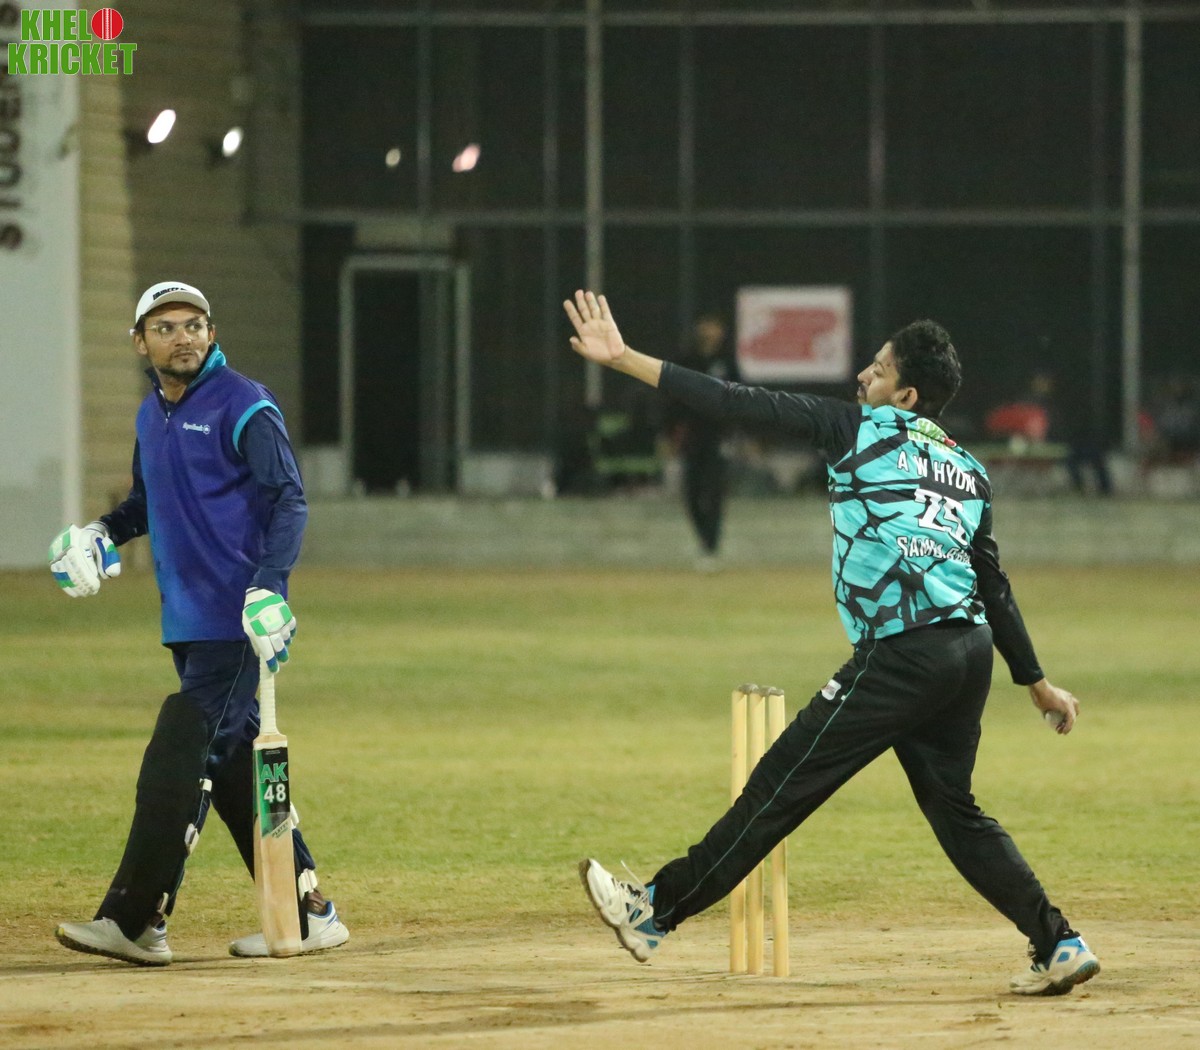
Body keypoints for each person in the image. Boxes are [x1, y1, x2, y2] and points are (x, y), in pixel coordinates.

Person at [563, 290, 1099, 997]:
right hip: (966, 654)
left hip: (904, 654)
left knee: (779, 786)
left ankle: (653, 911)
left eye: (878, 370)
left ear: (906, 395)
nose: (862, 376)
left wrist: (625, 358)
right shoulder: (968, 469)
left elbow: (735, 402)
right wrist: (1035, 683)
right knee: (957, 814)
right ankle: (1058, 942)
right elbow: (992, 584)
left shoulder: (856, 428)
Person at [48, 281, 349, 965]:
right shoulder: (150, 414)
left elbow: (289, 499)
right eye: (165, 328)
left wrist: (270, 589)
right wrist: (100, 533)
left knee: (180, 750)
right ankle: (307, 913)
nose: (182, 337)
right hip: (185, 621)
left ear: (211, 334)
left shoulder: (245, 404)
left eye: (194, 325)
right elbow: (145, 503)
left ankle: (136, 918)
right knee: (235, 767)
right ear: (140, 342)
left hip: (236, 621)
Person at [664, 313, 738, 568]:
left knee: (715, 491)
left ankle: (711, 546)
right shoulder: (687, 361)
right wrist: (671, 434)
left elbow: (742, 398)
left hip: (718, 437)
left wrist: (736, 432)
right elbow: (674, 399)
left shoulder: (728, 362)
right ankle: (703, 539)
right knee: (692, 493)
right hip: (692, 436)